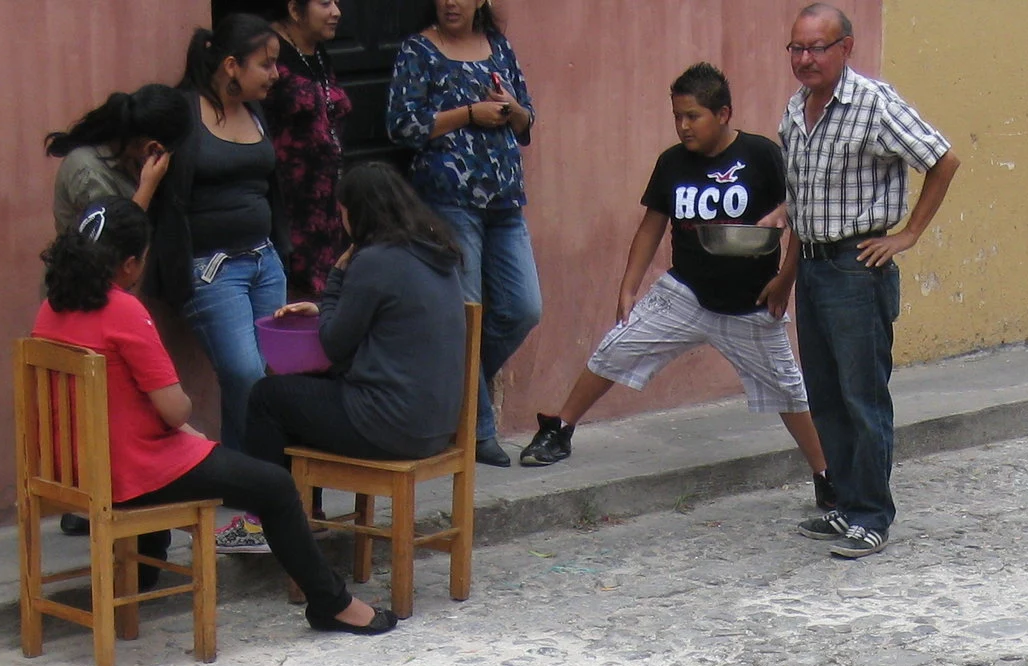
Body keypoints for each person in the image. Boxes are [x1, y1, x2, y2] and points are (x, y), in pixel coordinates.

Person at [33, 199, 395, 636]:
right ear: (129, 264)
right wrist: (183, 416)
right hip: (131, 470)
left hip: (74, 467)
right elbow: (174, 408)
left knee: (191, 445)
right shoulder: (124, 310)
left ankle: (143, 574)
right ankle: (331, 603)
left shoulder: (52, 306)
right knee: (275, 486)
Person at [515, 64, 828, 507]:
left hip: (751, 303)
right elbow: (650, 228)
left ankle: (825, 474)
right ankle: (560, 428)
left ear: (723, 114)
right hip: (684, 293)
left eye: (693, 116)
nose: (683, 126)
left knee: (788, 389)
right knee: (615, 348)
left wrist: (784, 279)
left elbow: (798, 215)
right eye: (677, 116)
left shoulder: (761, 156)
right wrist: (628, 286)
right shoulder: (672, 162)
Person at [774, 2, 959, 559]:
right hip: (811, 265)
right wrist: (785, 273)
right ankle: (844, 506)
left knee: (863, 396)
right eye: (797, 48)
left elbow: (942, 160)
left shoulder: (874, 105)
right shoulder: (795, 110)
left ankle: (873, 515)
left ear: (845, 48)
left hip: (858, 269)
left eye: (817, 48)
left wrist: (908, 235)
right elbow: (800, 200)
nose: (805, 59)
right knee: (825, 395)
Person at [149, 13, 295, 554]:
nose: (275, 73)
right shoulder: (183, 114)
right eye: (267, 63)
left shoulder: (255, 113)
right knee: (245, 373)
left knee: (271, 381)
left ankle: (257, 505)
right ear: (231, 65)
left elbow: (271, 185)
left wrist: (282, 247)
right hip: (212, 270)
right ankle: (252, 493)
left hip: (264, 262)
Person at [386, 0, 541, 467]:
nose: (451, 2)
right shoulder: (419, 50)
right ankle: (478, 430)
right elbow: (402, 125)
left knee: (523, 308)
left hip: (505, 200)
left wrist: (512, 110)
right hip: (450, 201)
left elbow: (527, 121)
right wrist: (468, 113)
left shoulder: (498, 47)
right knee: (468, 313)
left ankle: (454, 388)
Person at [245, 164, 468, 469]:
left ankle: (265, 516)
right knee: (306, 395)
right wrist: (326, 311)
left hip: (389, 425)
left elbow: (334, 345)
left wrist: (336, 277)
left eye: (344, 212)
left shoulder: (376, 260)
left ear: (359, 212)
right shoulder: (434, 253)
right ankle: (306, 510)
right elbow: (391, 318)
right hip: (435, 427)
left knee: (267, 396)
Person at [264, 0, 352, 299]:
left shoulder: (316, 51)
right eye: (325, 3)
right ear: (293, 9)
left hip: (326, 197)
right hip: (287, 200)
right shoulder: (269, 51)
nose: (336, 12)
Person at [47, 85, 191, 235]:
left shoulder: (130, 154)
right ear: (154, 148)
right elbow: (115, 242)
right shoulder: (88, 170)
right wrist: (148, 186)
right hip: (99, 256)